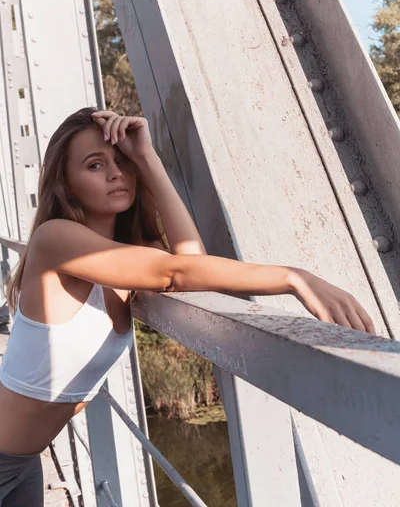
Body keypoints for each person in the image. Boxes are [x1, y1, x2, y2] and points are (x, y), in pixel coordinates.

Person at [0, 107, 375, 505]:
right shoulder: (54, 240)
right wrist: (293, 278)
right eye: (95, 165)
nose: (116, 173)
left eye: (122, 162)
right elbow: (174, 273)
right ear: (67, 184)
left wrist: (148, 157)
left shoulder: (134, 256)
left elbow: (190, 257)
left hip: (23, 462)